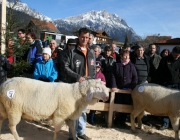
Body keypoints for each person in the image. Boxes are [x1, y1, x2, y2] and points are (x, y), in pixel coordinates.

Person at [63, 27, 95, 140]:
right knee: (74, 112)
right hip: (74, 87)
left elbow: (93, 69)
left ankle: (81, 132)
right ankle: (73, 135)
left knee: (83, 111)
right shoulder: (72, 51)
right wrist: (77, 77)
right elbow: (65, 67)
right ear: (79, 37)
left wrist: (93, 81)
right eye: (83, 37)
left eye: (87, 37)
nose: (85, 39)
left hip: (87, 87)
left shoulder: (91, 52)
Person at [111, 50, 138, 128]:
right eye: (125, 56)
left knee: (126, 105)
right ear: (121, 56)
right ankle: (117, 121)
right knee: (118, 104)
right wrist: (114, 85)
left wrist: (131, 87)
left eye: (128, 56)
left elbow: (135, 78)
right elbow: (113, 76)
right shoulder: (116, 65)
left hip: (128, 90)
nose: (127, 57)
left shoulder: (132, 66)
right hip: (118, 89)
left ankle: (122, 121)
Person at [158, 46, 180, 130]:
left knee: (177, 106)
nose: (176, 56)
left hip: (177, 85)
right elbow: (160, 72)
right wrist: (163, 82)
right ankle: (165, 123)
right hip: (167, 85)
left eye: (178, 55)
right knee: (166, 104)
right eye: (175, 54)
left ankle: (174, 124)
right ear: (172, 52)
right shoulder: (165, 60)